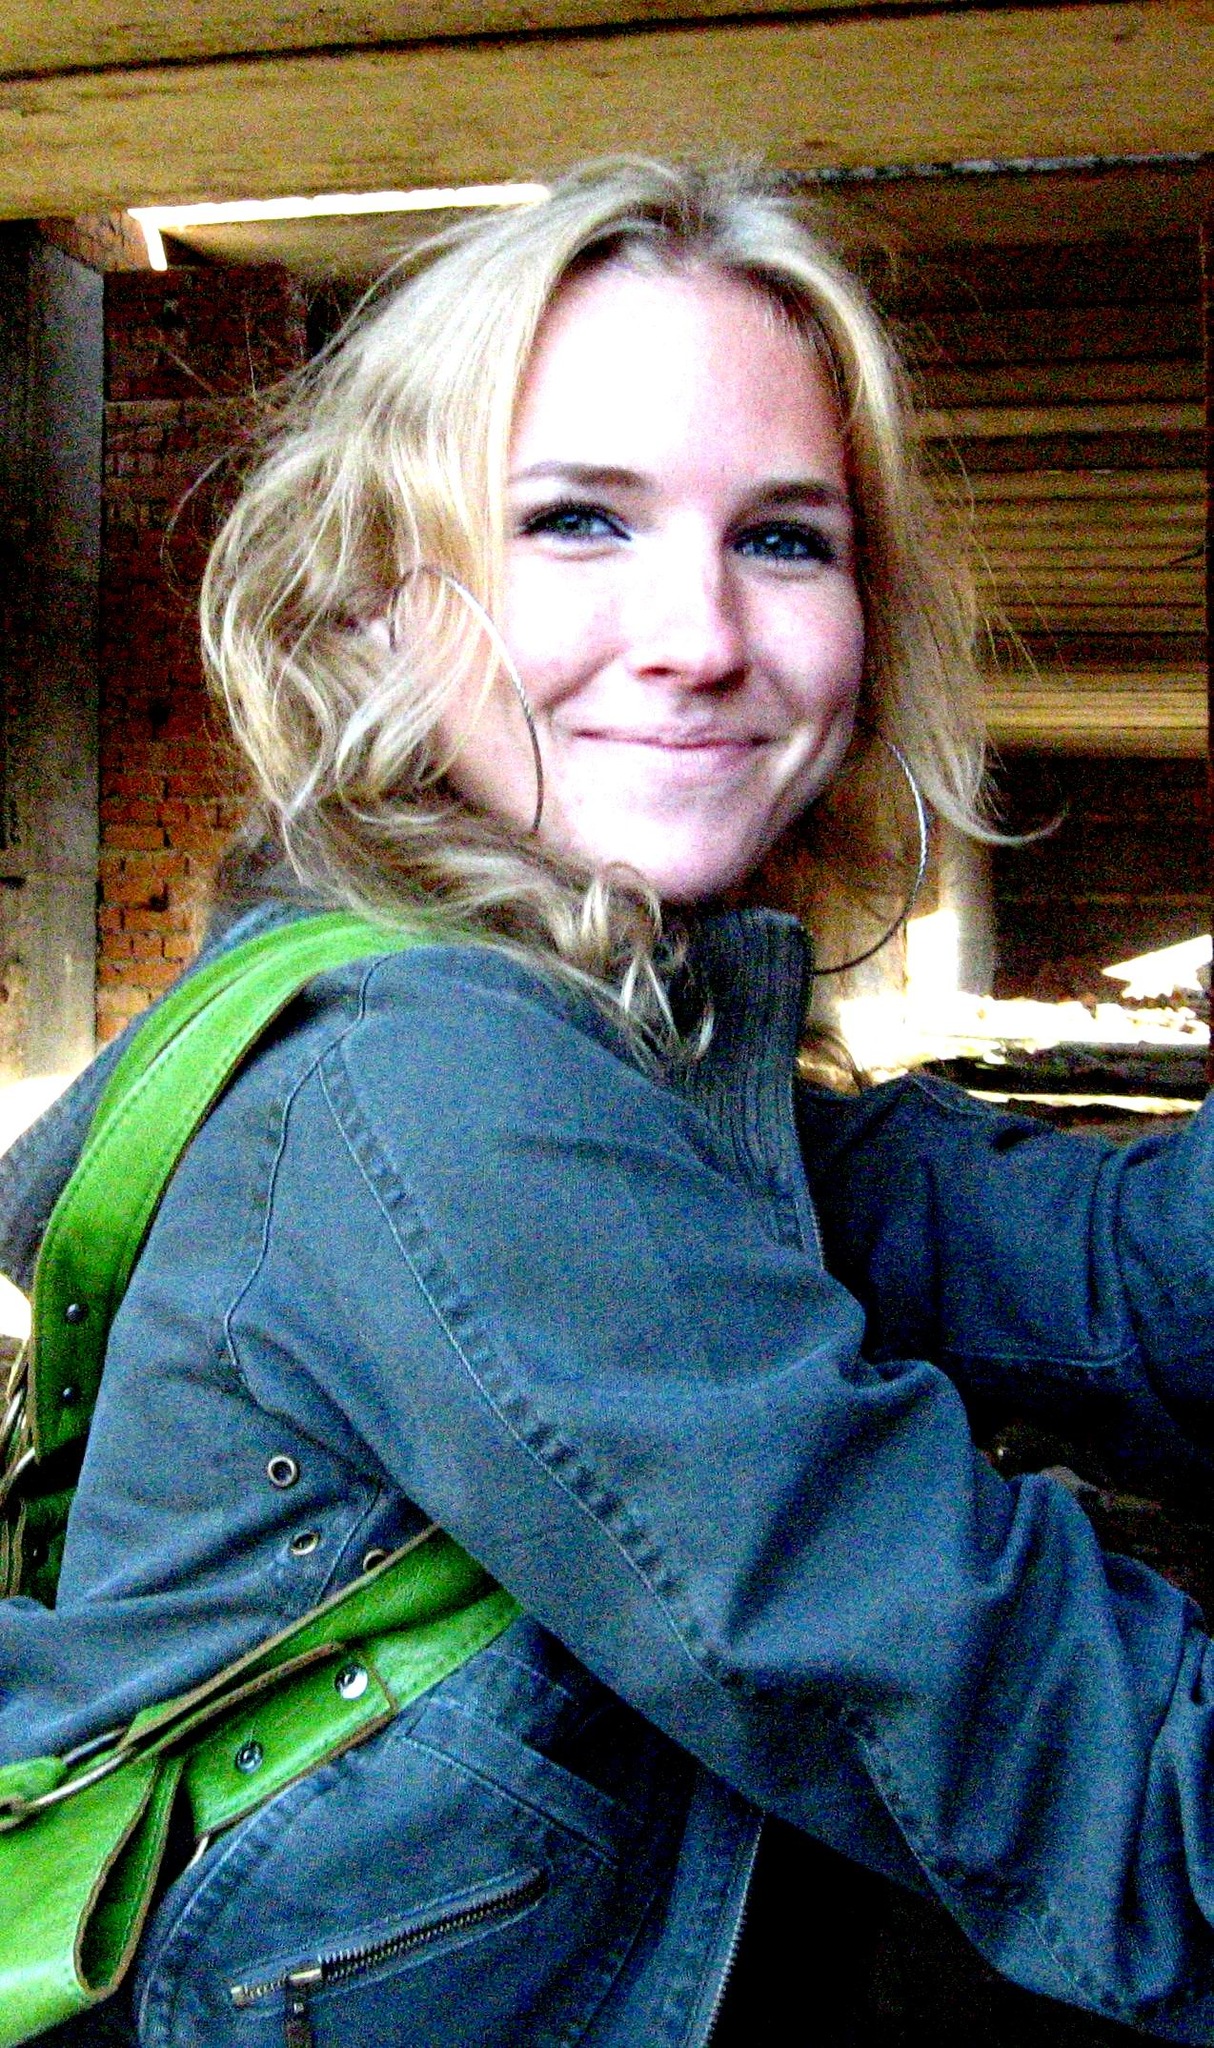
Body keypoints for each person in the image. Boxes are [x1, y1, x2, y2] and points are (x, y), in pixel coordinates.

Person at [4, 156, 1214, 2047]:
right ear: (367, 607)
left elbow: (1102, 1273)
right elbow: (1044, 1743)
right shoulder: (439, 1087)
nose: (701, 637)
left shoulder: (623, 1037)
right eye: (576, 521)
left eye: (785, 539)